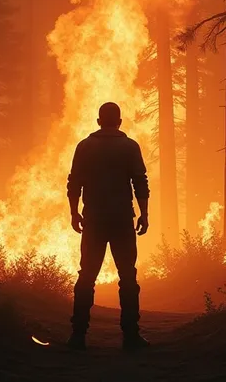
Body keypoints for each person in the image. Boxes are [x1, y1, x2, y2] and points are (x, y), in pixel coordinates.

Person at [66, 102, 150, 351]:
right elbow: (140, 183)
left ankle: (78, 335)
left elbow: (74, 183)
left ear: (98, 121)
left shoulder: (84, 146)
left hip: (94, 219)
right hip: (122, 219)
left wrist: (73, 213)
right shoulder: (130, 146)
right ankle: (131, 336)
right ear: (120, 122)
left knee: (86, 276)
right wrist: (144, 214)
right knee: (128, 277)